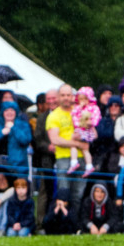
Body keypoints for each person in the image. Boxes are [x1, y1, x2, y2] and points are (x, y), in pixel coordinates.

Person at [47, 84, 90, 224]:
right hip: (63, 159)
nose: (66, 98)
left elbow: (89, 129)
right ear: (58, 97)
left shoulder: (80, 111)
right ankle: (62, 225)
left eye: (69, 95)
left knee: (78, 194)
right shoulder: (54, 116)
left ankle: (75, 225)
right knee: (63, 194)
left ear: (73, 96)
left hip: (82, 157)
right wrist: (77, 144)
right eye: (63, 95)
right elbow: (55, 139)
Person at [0, 100, 32, 177]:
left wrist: (13, 128)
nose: (9, 113)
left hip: (17, 166)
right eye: (6, 110)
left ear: (16, 112)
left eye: (12, 110)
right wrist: (1, 132)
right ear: (2, 112)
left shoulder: (23, 125)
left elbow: (25, 140)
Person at [33, 89, 58, 232]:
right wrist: (48, 147)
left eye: (54, 98)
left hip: (62, 157)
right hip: (46, 159)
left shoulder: (64, 115)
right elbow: (38, 138)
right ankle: (41, 222)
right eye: (49, 99)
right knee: (44, 192)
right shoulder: (42, 118)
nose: (52, 101)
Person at [68, 87, 101, 178]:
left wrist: (89, 123)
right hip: (81, 130)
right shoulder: (78, 108)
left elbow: (96, 119)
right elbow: (73, 115)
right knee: (84, 149)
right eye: (80, 99)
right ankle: (89, 166)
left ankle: (74, 162)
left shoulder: (94, 108)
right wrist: (80, 107)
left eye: (85, 99)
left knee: (73, 141)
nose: (82, 101)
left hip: (87, 131)